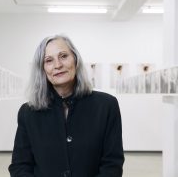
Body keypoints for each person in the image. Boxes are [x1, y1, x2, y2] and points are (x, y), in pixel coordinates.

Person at [9, 35, 124, 177]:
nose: (57, 65)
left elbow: (112, 165)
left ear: (75, 60)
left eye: (63, 56)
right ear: (42, 69)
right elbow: (20, 166)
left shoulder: (107, 106)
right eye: (49, 60)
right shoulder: (28, 113)